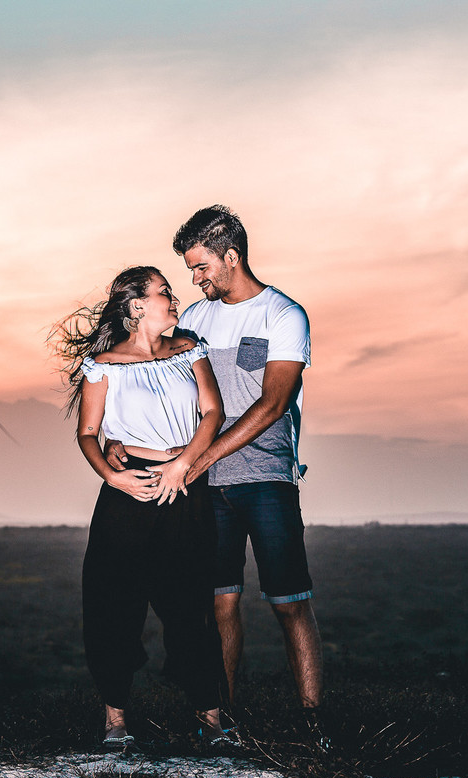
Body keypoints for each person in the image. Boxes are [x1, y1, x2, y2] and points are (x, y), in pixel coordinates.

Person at [109, 206, 324, 732]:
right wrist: (115, 435)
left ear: (232, 257)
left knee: (289, 601)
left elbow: (273, 405)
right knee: (219, 603)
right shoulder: (193, 321)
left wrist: (193, 460)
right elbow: (145, 379)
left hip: (266, 476)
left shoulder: (284, 315)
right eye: (189, 270)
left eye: (201, 267)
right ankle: (222, 725)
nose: (194, 279)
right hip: (205, 485)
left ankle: (316, 723)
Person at [53, 265, 233, 750]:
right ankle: (115, 723)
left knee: (191, 607)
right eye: (163, 292)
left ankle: (212, 722)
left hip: (184, 486)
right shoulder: (103, 364)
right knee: (115, 606)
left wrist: (183, 466)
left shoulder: (189, 349)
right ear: (136, 306)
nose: (173, 298)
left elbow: (212, 412)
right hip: (128, 493)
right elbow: (88, 433)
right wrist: (113, 475)